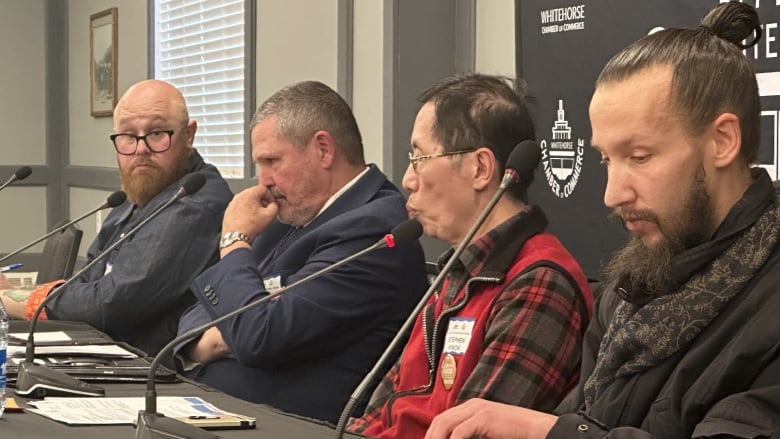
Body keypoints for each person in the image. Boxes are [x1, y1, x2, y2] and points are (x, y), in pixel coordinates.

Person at [425, 3, 780, 439]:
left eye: (639, 156)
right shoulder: (630, 288)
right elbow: (588, 416)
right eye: (606, 159)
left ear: (722, 141)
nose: (612, 194)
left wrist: (549, 433)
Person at [348, 73, 593, 439]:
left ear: (480, 168)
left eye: (419, 158)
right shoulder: (459, 268)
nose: (407, 179)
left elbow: (468, 433)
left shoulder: (540, 281)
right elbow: (385, 406)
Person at [175, 80, 428, 423]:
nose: (262, 180)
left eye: (271, 161)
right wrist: (217, 337)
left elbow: (260, 336)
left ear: (323, 149)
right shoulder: (291, 212)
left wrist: (234, 239)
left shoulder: (374, 230)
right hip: (214, 408)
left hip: (288, 425)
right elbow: (204, 306)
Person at [0, 79, 233, 359]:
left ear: (188, 134)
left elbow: (112, 303)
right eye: (128, 136)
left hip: (148, 367)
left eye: (157, 133)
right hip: (99, 347)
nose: (140, 148)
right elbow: (87, 279)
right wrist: (22, 296)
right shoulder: (139, 191)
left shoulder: (195, 202)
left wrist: (12, 301)